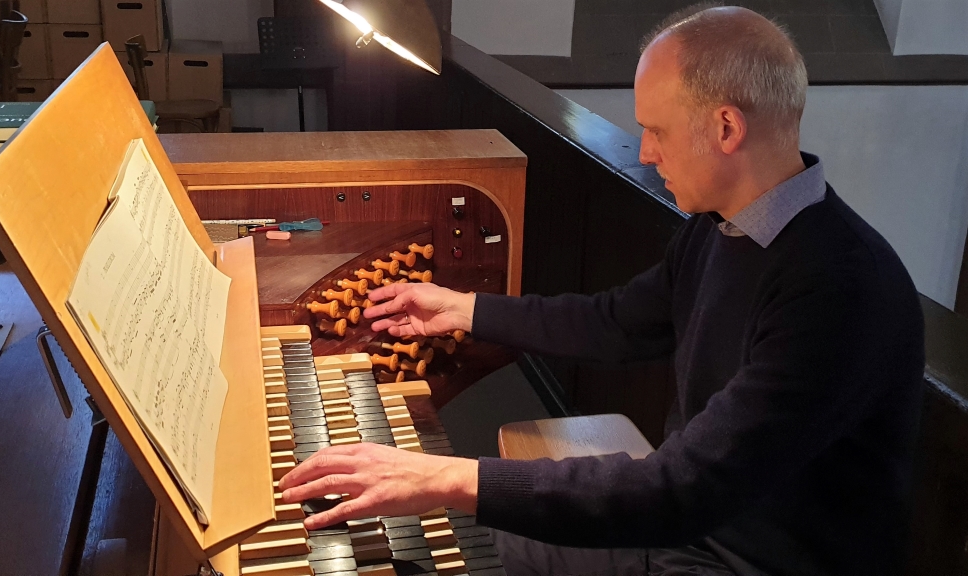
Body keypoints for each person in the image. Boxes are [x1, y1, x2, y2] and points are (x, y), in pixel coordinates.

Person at [278, 5, 925, 575]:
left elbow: (684, 486)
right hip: (683, 535)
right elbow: (616, 322)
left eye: (657, 130)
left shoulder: (838, 288)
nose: (645, 152)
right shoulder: (720, 229)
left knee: (439, 518)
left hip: (744, 558)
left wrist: (445, 475)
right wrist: (464, 310)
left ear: (726, 129)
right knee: (414, 538)